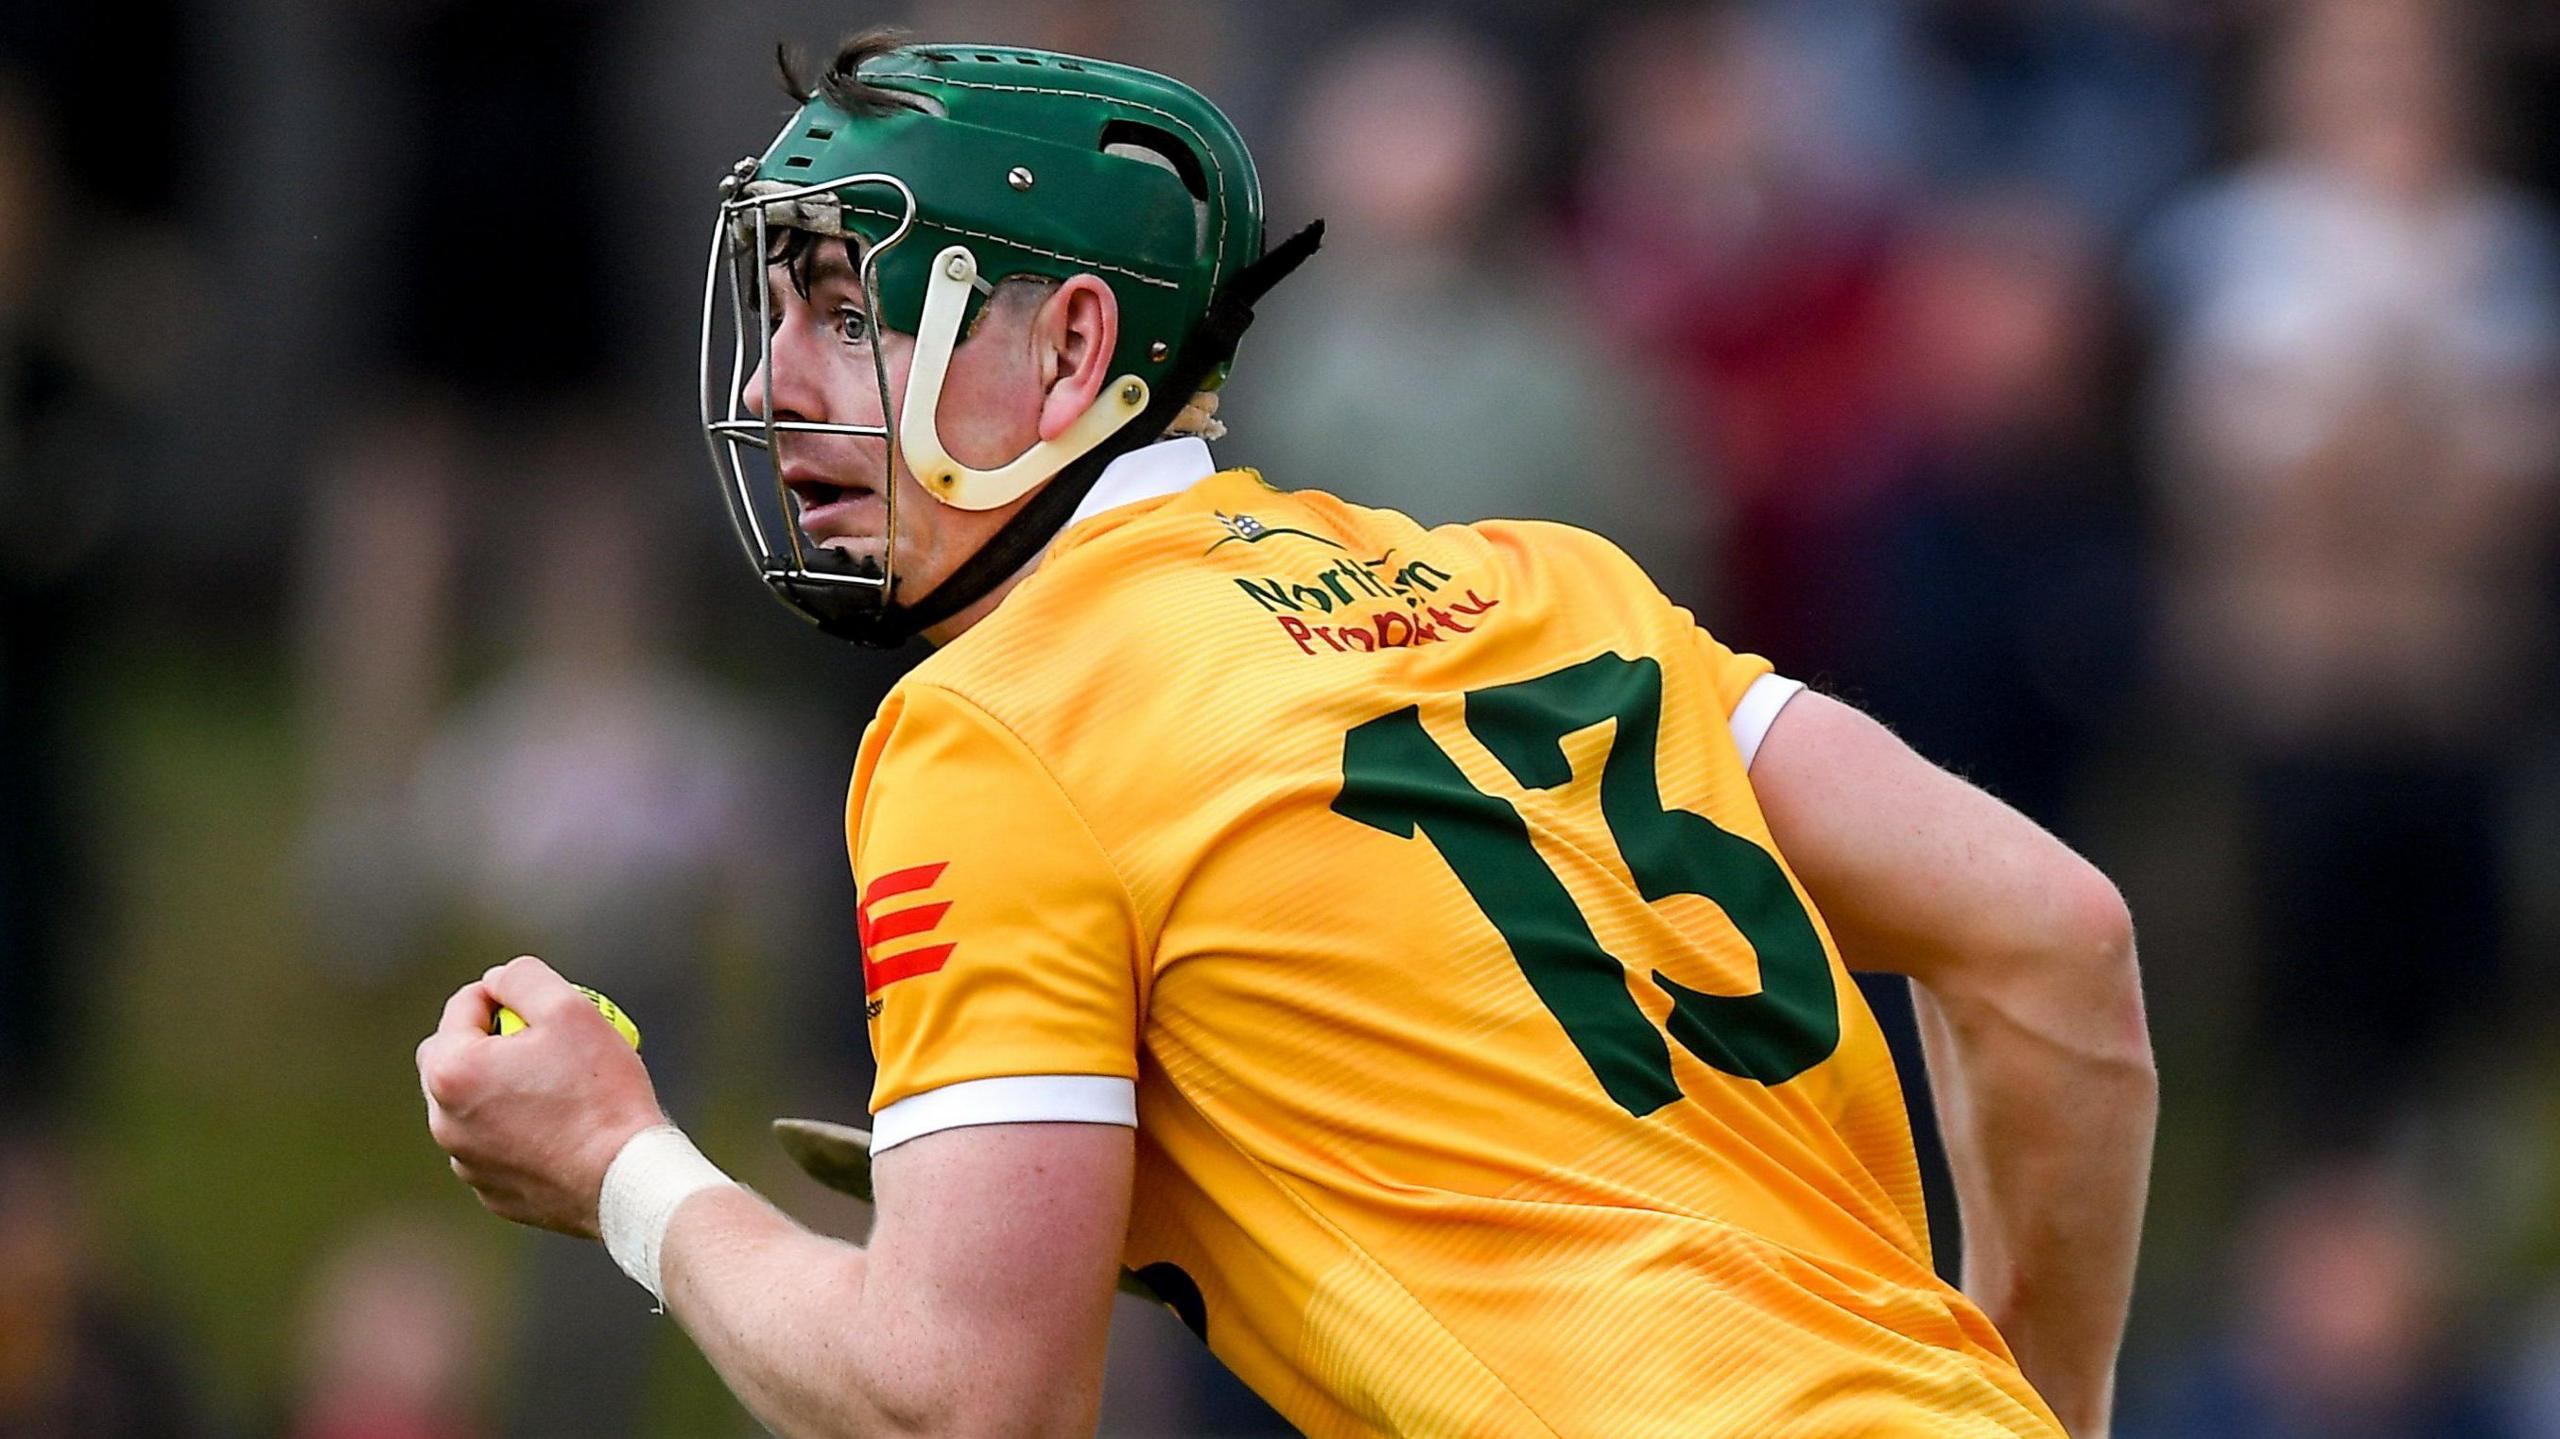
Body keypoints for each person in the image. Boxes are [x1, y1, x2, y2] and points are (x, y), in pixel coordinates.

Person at [417, 32, 2154, 1438]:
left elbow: (962, 1407)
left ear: (1074, 344)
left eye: (850, 307)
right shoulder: (1542, 584)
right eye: (784, 305)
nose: (787, 370)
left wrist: (618, 1168)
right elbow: (2050, 937)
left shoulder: (997, 721)